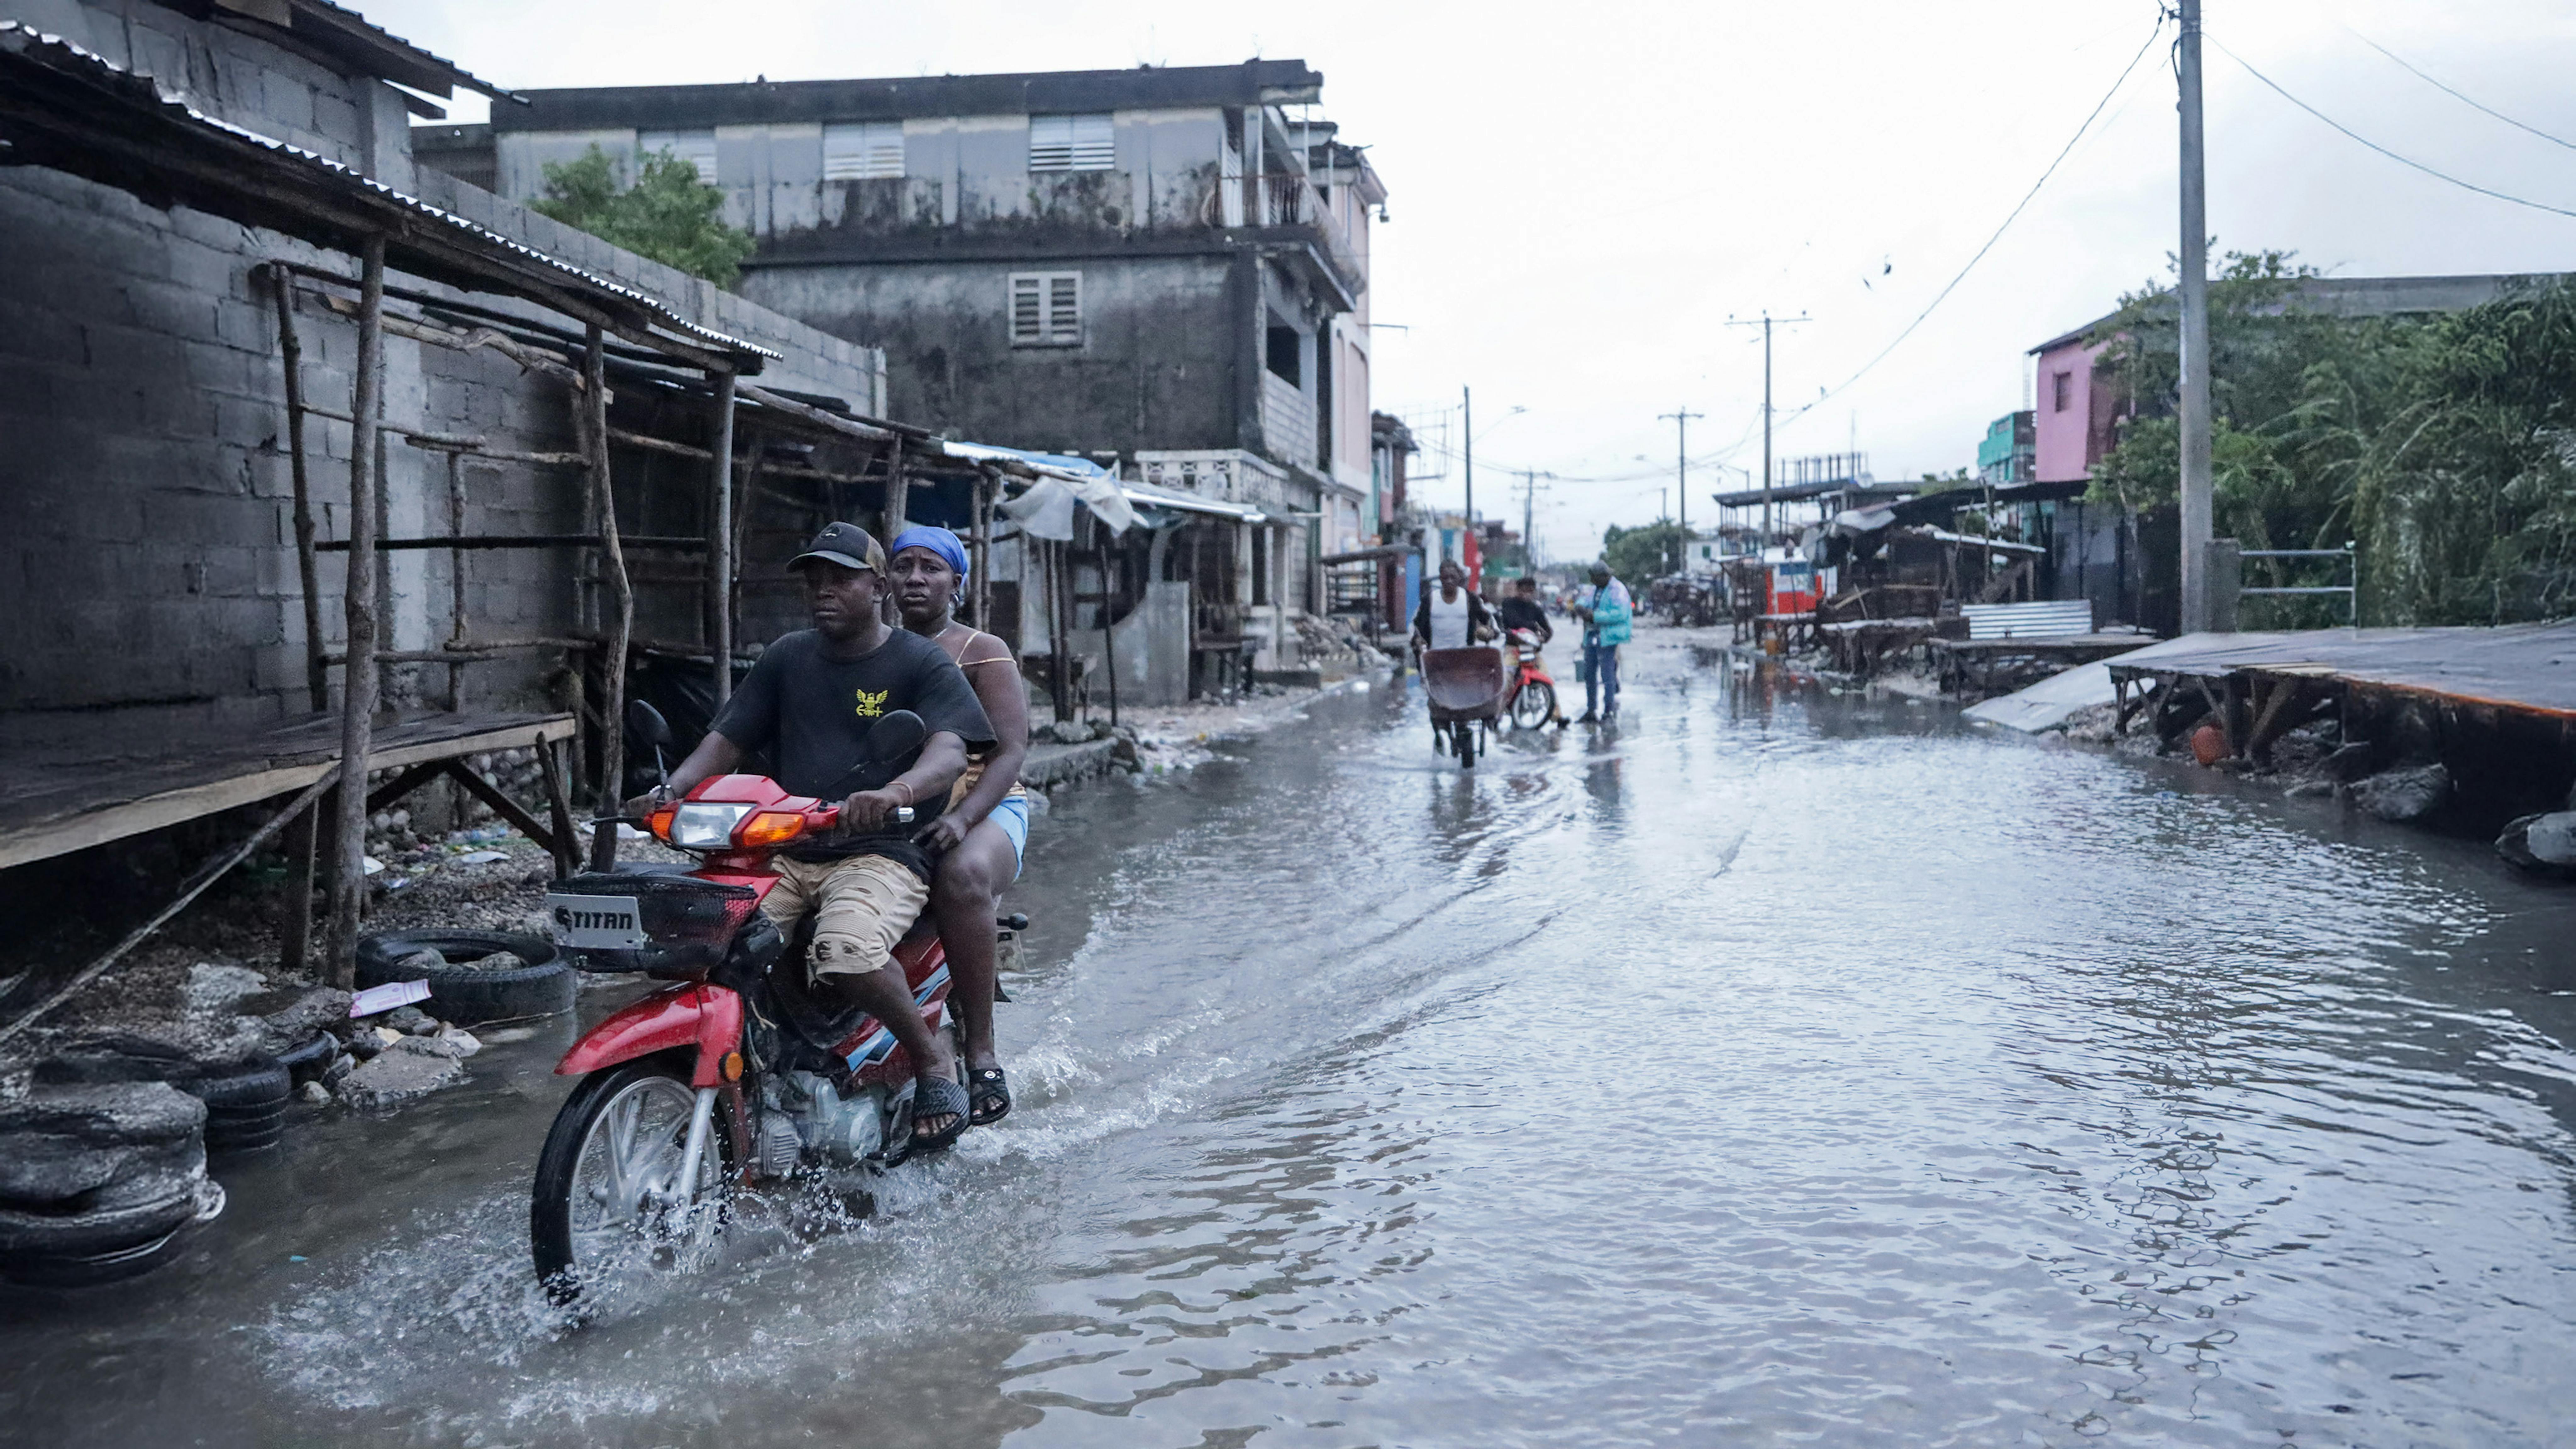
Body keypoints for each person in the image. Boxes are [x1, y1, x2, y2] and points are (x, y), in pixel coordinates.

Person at [643, 522, 994, 1151]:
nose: (823, 591)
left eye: (840, 578)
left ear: (878, 587)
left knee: (846, 948)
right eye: (815, 579)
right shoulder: (787, 656)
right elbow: (727, 740)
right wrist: (670, 792)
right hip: (786, 848)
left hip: (881, 852)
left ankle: (931, 1058)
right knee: (710, 943)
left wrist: (896, 794)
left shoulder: (921, 661)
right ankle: (762, 1077)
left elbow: (948, 750)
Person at [886, 524, 1028, 1127]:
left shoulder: (982, 648)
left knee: (962, 873)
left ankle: (981, 1052)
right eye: (904, 567)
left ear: (957, 584)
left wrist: (965, 818)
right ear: (884, 581)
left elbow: (1010, 750)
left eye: (931, 568)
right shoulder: (867, 649)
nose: (916, 578)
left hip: (985, 805)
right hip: (895, 805)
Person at [1572, 563, 1633, 721]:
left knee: (1608, 675)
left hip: (1608, 638)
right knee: (1589, 674)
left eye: (1595, 578)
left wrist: (1595, 616)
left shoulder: (1618, 590)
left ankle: (1608, 711)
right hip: (1592, 636)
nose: (1592, 581)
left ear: (1604, 577)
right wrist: (1580, 607)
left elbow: (1621, 614)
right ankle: (1591, 710)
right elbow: (1585, 600)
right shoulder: (1596, 589)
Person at [1411, 558, 1497, 652]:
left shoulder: (1470, 599)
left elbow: (1489, 619)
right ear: (1440, 578)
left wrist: (1490, 632)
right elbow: (1415, 625)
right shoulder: (1429, 600)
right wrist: (1417, 640)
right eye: (1445, 578)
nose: (1449, 581)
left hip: (1463, 657)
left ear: (1459, 578)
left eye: (1453, 577)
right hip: (1435, 657)